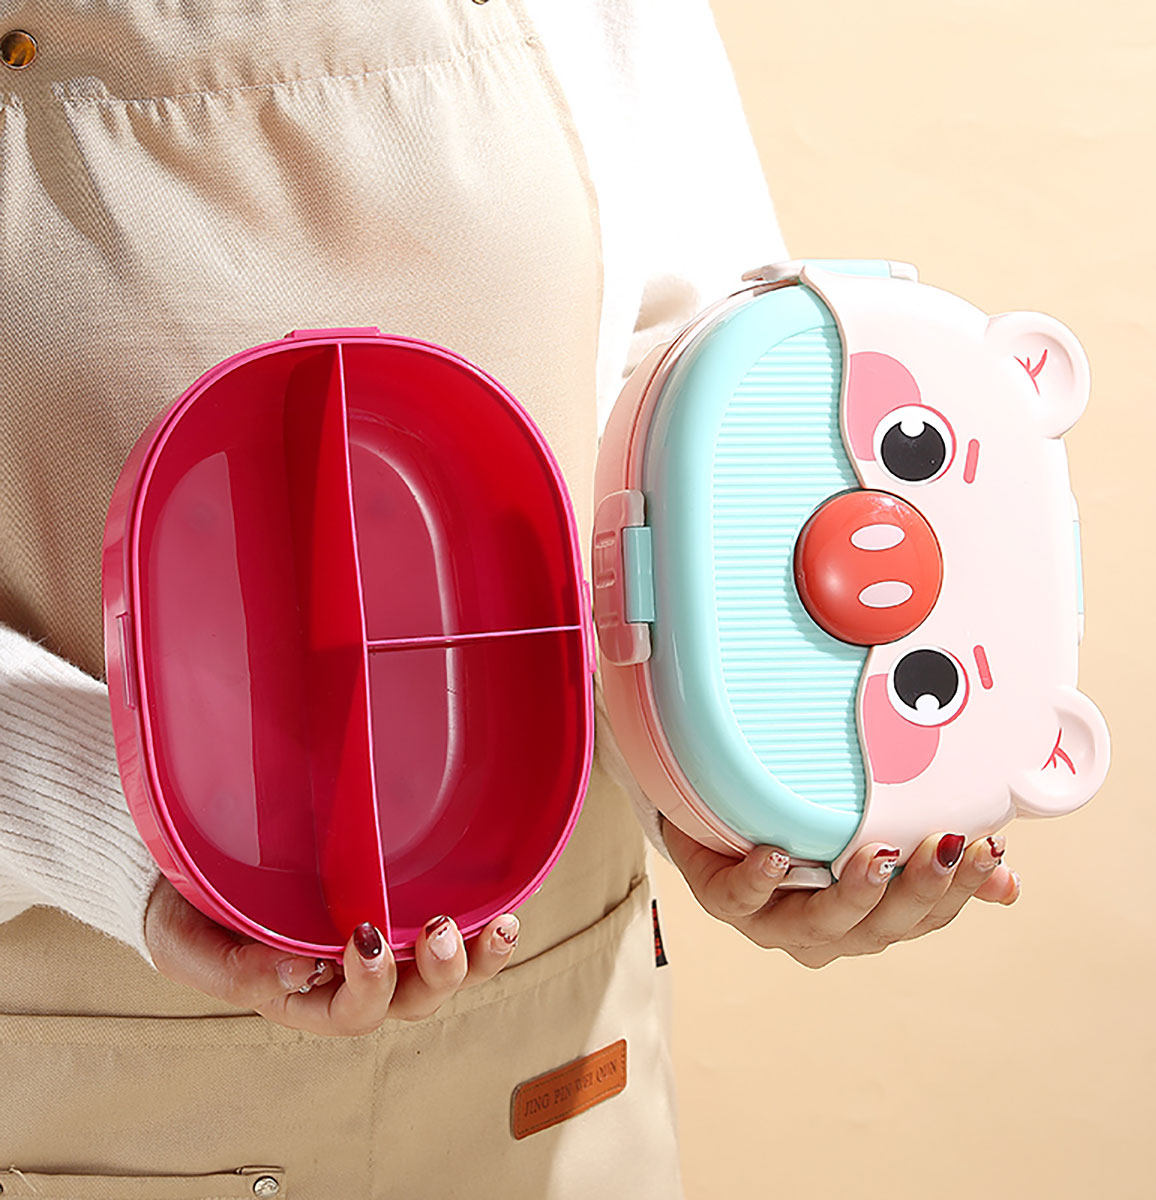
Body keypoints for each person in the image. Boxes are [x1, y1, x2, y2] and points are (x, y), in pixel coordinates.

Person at [0, 1, 1018, 1195]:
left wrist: (713, 787)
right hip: (99, 1052)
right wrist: (138, 834)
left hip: (551, 1043)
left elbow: (695, 404)